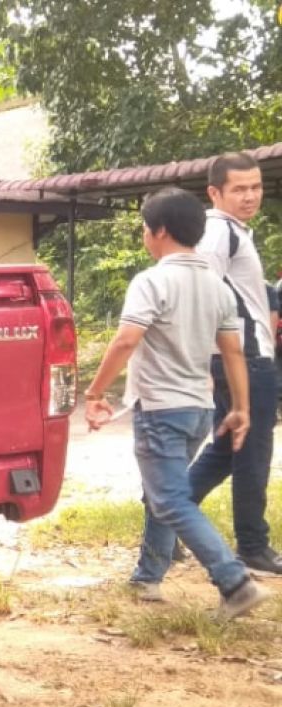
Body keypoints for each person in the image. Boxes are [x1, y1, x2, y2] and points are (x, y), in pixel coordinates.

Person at [85, 187, 271, 620]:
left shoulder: (152, 281)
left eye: (145, 229)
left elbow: (127, 339)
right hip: (199, 410)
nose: (145, 237)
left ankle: (234, 581)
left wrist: (95, 394)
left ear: (160, 232)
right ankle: (149, 575)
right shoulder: (218, 286)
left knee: (168, 498)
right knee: (165, 493)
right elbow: (233, 352)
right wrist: (241, 407)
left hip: (161, 410)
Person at [186, 152, 282, 576]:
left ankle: (165, 514)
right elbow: (200, 293)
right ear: (215, 192)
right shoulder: (218, 233)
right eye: (239, 189)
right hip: (245, 358)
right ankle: (253, 545)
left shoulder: (233, 232)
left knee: (227, 450)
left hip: (241, 356)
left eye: (255, 187)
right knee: (253, 452)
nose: (250, 196)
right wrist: (210, 361)